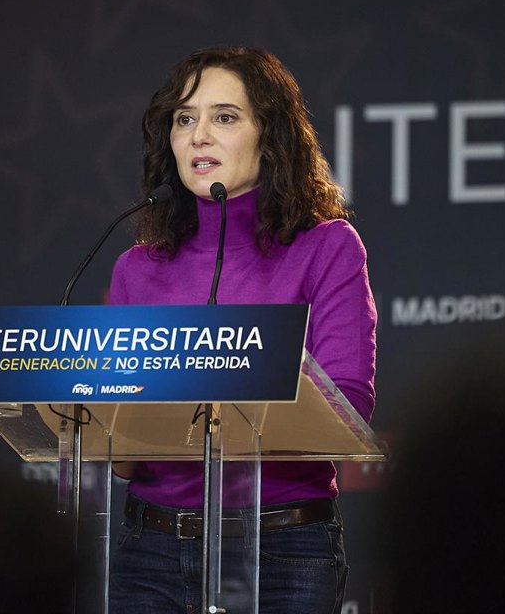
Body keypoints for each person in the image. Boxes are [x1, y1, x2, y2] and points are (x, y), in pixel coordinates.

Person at [107, 46, 377, 613]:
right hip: (151, 551)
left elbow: (346, 406)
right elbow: (120, 446)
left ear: (270, 136)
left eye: (224, 117)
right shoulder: (137, 267)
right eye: (185, 119)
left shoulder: (326, 248)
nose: (199, 136)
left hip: (284, 550)